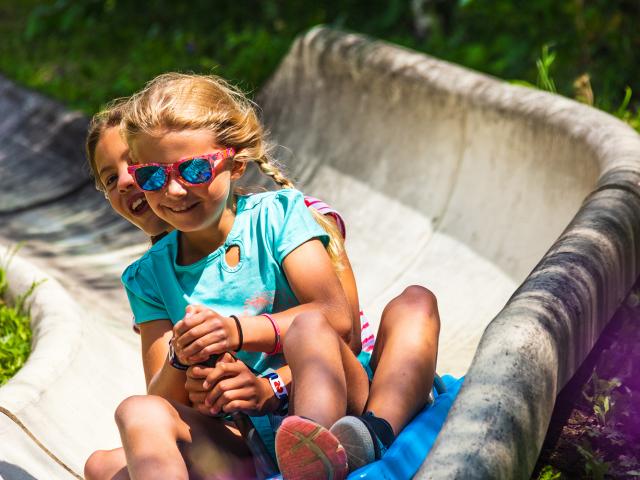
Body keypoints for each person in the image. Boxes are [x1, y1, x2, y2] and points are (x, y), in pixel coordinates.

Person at [84, 76, 440, 480]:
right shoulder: (148, 277)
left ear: (234, 164)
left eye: (195, 170)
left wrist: (246, 349)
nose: (174, 191)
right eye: (151, 176)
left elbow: (337, 319)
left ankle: (352, 443)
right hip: (244, 436)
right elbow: (164, 399)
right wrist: (184, 362)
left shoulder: (278, 216)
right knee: (129, 422)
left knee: (336, 318)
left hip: (339, 405)